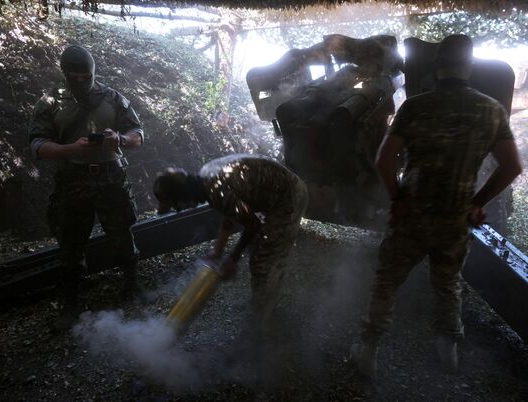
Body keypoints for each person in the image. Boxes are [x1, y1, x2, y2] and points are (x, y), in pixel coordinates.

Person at [350, 34, 522, 378]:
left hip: (411, 215)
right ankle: (449, 354)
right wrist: (476, 203)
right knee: (447, 284)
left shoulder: (415, 107)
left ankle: (367, 352)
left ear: (437, 66)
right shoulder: (491, 110)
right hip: (456, 220)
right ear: (469, 67)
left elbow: (384, 162)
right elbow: (512, 166)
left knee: (387, 281)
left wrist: (397, 199)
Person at [28, 44, 144, 332]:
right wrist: (71, 148)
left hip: (111, 176)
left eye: (85, 76)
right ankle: (70, 305)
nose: (80, 81)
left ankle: (132, 287)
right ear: (65, 74)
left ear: (93, 72)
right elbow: (37, 145)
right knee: (70, 242)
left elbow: (138, 134)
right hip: (73, 179)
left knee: (121, 233)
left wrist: (120, 140)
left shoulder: (113, 98)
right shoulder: (50, 102)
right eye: (74, 77)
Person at [153, 154, 309, 333]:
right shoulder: (207, 177)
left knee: (263, 262)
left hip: (288, 198)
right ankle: (264, 301)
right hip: (278, 193)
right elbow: (232, 212)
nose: (180, 208)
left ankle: (262, 321)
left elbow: (253, 224)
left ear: (183, 193)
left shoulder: (216, 191)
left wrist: (232, 258)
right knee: (256, 248)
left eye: (177, 204)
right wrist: (217, 251)